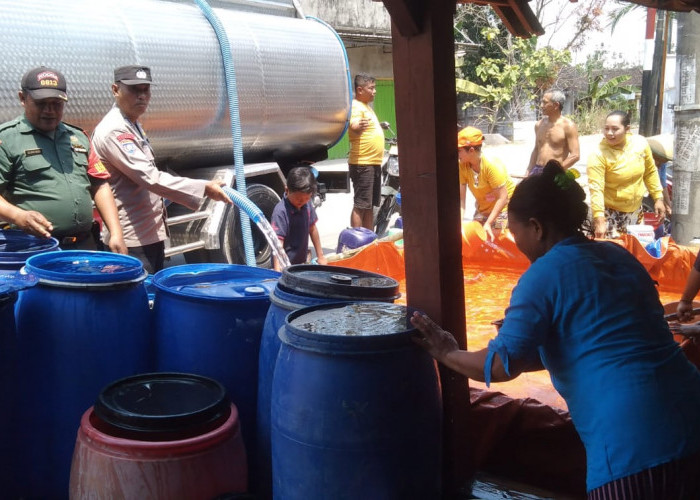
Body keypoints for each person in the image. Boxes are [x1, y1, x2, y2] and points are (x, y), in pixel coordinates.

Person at [411, 161, 700, 499]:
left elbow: (503, 365)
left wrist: (446, 352)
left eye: (514, 232)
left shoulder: (542, 275)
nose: (514, 241)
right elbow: (593, 342)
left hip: (632, 440)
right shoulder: (619, 257)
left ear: (536, 227)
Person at [92, 65, 231, 274]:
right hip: (131, 241)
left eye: (145, 90)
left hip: (146, 235)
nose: (142, 96)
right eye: (134, 90)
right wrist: (204, 188)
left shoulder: (131, 123)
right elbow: (150, 178)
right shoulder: (114, 129)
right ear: (115, 90)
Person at [0, 66, 126, 252]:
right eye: (41, 103)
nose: (50, 110)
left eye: (57, 104)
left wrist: (116, 233)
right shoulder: (7, 139)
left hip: (85, 245)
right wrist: (18, 216)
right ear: (22, 98)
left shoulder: (78, 137)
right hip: (35, 247)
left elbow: (99, 184)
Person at [587, 110, 666, 239]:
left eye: (615, 129)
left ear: (627, 129)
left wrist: (658, 198)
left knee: (636, 253)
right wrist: (599, 219)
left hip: (636, 212)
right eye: (606, 129)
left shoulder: (640, 143)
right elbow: (596, 189)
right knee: (613, 254)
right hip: (610, 214)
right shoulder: (598, 154)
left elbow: (650, 171)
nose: (609, 133)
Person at [458, 126, 515, 241]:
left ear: (471, 150)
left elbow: (503, 198)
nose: (457, 154)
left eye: (459, 150)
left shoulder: (491, 166)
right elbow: (461, 200)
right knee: (474, 236)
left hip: (504, 208)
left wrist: (489, 223)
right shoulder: (462, 165)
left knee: (495, 236)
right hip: (483, 209)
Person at [270, 166, 326, 271]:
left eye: (306, 198)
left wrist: (320, 256)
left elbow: (312, 228)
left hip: (300, 263)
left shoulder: (307, 204)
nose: (302, 202)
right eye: (298, 199)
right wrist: (277, 272)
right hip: (283, 266)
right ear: (287, 190)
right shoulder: (280, 212)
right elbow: (277, 244)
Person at [348, 73, 384, 231]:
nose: (374, 91)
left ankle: (369, 241)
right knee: (361, 205)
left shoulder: (367, 107)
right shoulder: (355, 106)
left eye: (374, 88)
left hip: (373, 163)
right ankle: (357, 240)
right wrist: (356, 126)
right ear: (360, 90)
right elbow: (354, 124)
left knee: (369, 206)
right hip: (363, 163)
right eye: (371, 88)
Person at [526, 89, 580, 176]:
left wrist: (556, 170)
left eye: (545, 102)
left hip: (556, 173)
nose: (541, 105)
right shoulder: (539, 125)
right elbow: (536, 150)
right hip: (537, 170)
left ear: (556, 105)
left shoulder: (568, 126)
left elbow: (575, 155)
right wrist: (528, 171)